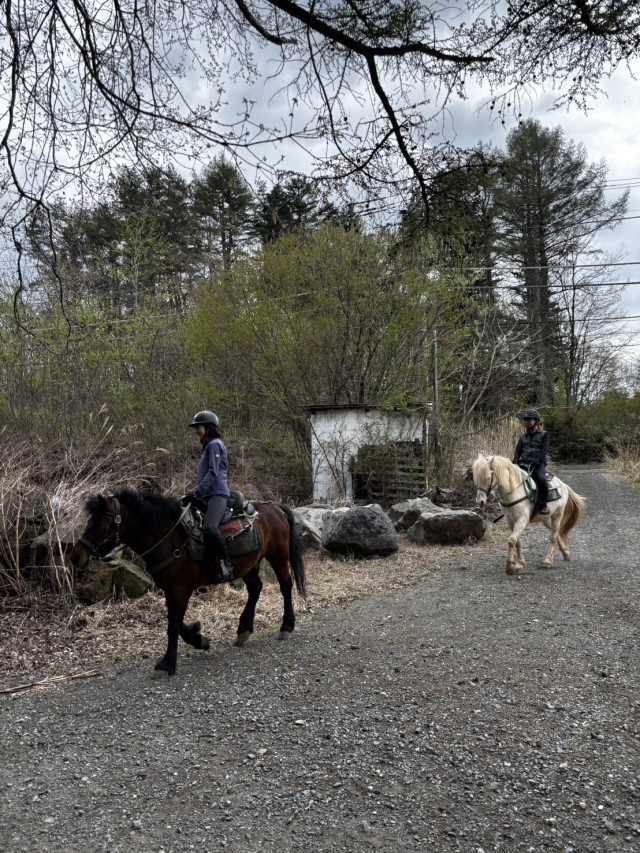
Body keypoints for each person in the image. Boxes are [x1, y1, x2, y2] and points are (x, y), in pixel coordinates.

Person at [181, 410, 233, 582]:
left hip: (217, 493)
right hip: (207, 494)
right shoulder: (208, 446)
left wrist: (195, 492)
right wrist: (192, 494)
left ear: (208, 427)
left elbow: (212, 473)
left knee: (210, 528)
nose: (196, 431)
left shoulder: (214, 445)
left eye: (199, 427)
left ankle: (226, 564)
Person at [512, 407, 550, 516]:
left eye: (529, 420)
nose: (527, 422)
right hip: (524, 463)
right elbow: (518, 450)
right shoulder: (523, 437)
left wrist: (538, 461)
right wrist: (515, 461)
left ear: (536, 421)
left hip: (538, 464)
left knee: (542, 480)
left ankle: (543, 504)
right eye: (525, 420)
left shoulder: (544, 434)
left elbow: (544, 450)